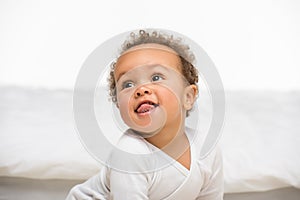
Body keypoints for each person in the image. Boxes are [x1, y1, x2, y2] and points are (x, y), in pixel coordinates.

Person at [66, 29, 224, 200]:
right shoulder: (131, 153)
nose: (141, 90)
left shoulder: (206, 150)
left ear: (188, 97)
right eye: (127, 84)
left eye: (156, 77)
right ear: (118, 105)